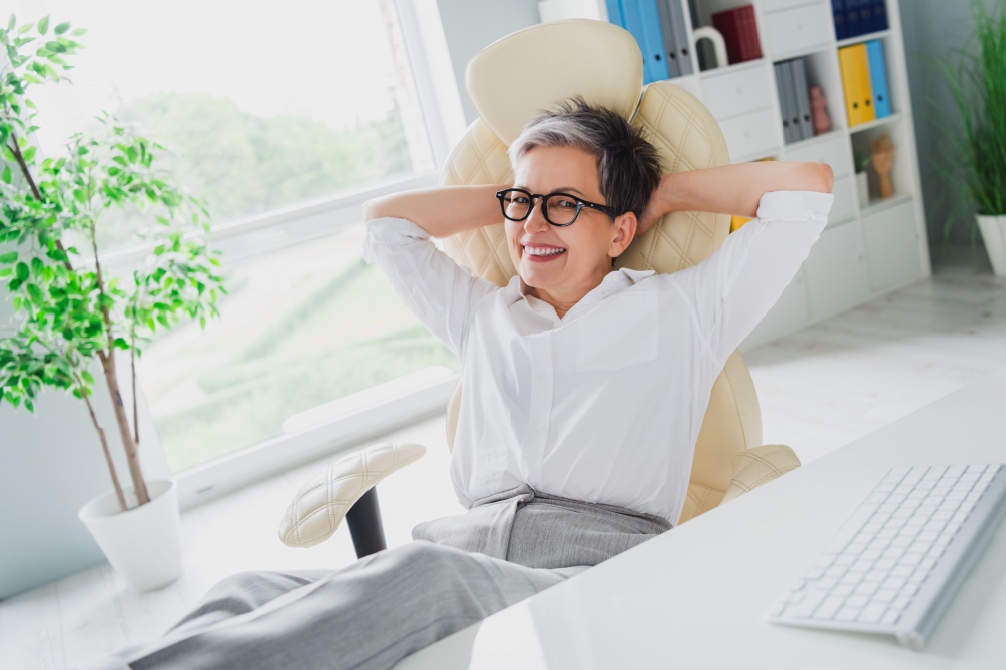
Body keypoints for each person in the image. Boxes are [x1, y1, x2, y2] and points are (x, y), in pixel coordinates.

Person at [85, 98, 833, 670]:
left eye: (566, 205)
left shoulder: (686, 311)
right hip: (465, 547)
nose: (534, 223)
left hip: (588, 572)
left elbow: (805, 188)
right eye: (521, 200)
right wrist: (529, 200)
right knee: (243, 593)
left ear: (621, 230)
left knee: (422, 577)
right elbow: (386, 225)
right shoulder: (484, 314)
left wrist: (657, 195)